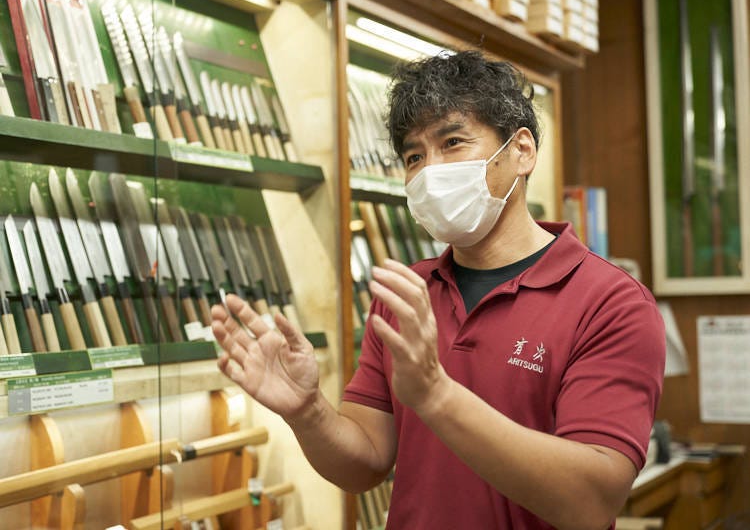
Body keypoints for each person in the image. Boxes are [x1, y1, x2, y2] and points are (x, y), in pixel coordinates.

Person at [212, 50, 666, 530]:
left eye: (452, 142)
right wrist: (308, 412)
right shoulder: (407, 295)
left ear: (522, 151)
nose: (430, 171)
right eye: (414, 156)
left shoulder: (611, 303)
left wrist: (436, 395)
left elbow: (590, 503)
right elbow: (364, 462)